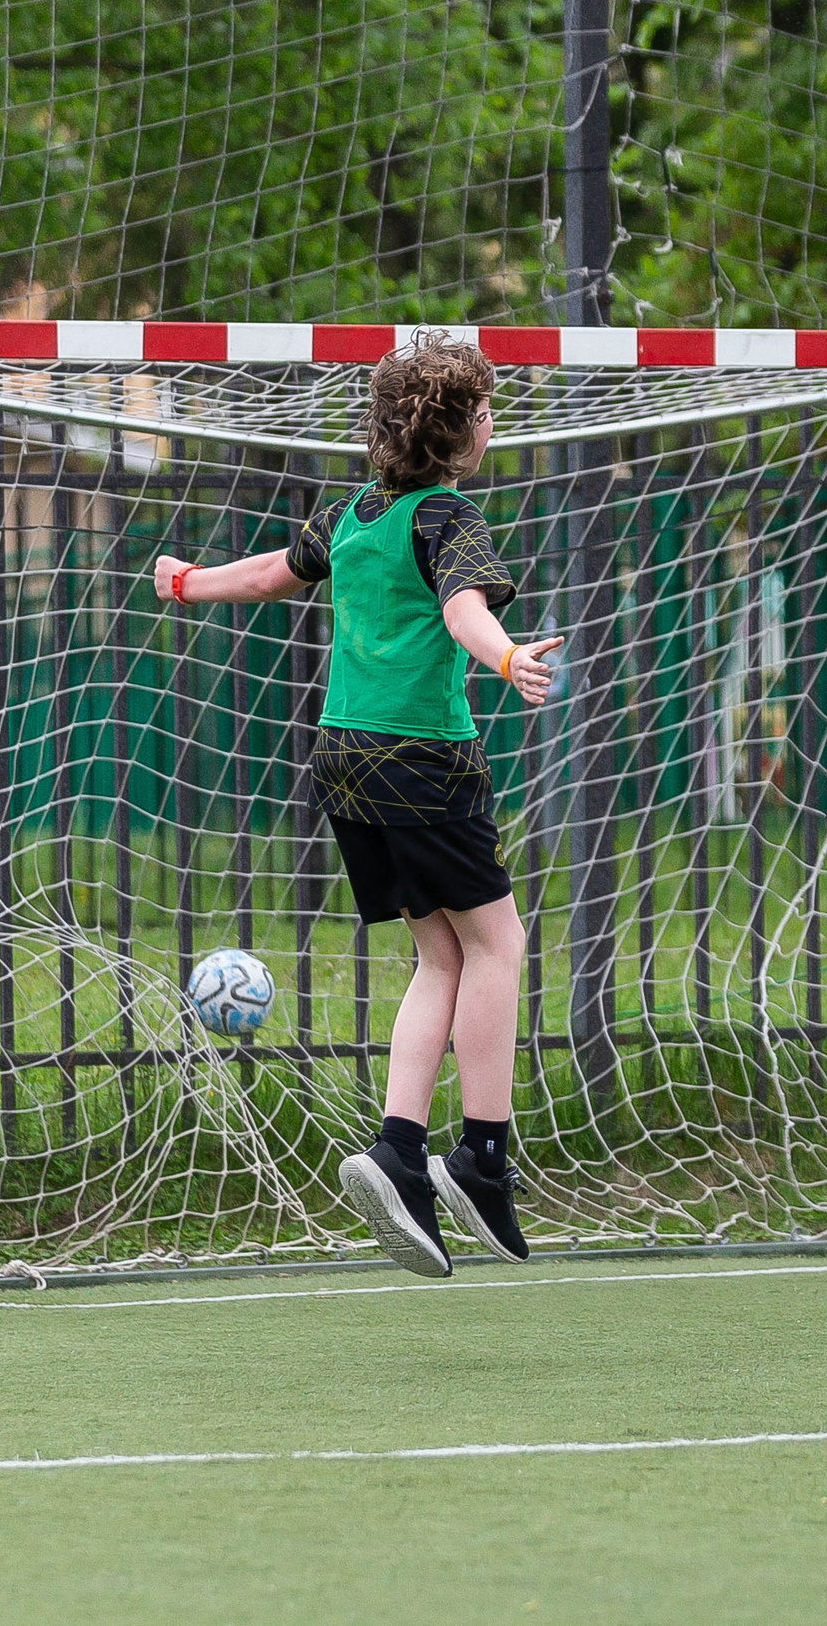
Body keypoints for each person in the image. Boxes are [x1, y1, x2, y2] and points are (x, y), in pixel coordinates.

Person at [152, 332, 562, 1279]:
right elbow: (463, 610)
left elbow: (268, 575)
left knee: (440, 954)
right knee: (498, 944)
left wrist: (186, 582)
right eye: (486, 410)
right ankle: (482, 1154)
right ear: (459, 434)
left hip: (343, 759)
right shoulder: (449, 517)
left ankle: (399, 1150)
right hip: (423, 757)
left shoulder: (350, 515)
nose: (492, 422)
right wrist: (507, 657)